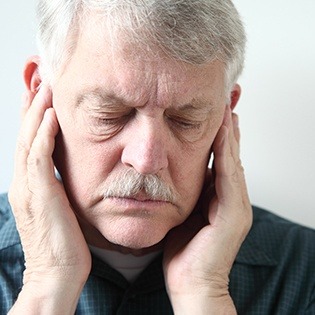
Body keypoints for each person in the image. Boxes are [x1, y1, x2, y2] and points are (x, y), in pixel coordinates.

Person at [0, 0, 314, 313]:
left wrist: (206, 293)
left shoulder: (304, 272)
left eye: (185, 119)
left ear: (226, 111)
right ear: (41, 90)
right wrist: (47, 284)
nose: (147, 160)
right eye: (109, 114)